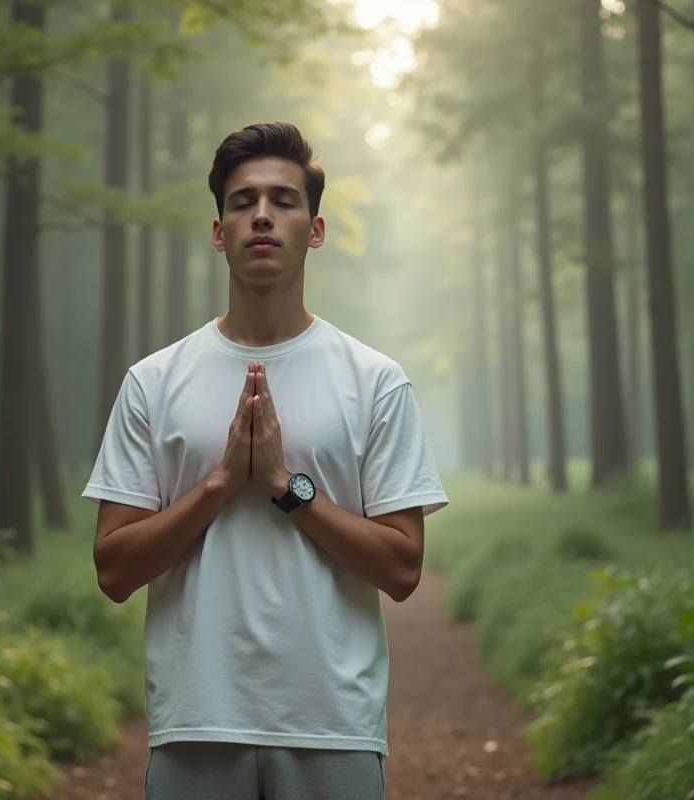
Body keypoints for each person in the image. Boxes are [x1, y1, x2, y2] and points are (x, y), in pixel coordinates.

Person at [83, 121, 448, 800]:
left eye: (283, 200)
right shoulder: (154, 382)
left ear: (314, 230)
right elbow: (113, 568)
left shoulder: (374, 381)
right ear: (219, 231)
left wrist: (287, 486)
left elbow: (403, 568)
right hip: (195, 726)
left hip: (333, 727)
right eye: (243, 201)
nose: (261, 215)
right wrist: (221, 483)